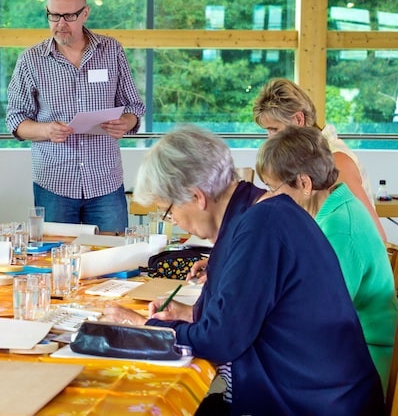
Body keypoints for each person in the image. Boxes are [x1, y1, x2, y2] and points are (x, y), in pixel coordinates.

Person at [103, 125, 383, 414]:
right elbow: (241, 314)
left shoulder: (261, 225)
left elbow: (220, 340)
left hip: (314, 405)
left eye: (169, 210)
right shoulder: (256, 213)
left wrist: (145, 328)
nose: (174, 220)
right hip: (307, 393)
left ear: (197, 197)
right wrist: (190, 314)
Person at [256, 125, 398, 393]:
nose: (271, 197)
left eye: (274, 188)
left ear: (305, 184)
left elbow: (317, 317)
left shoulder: (340, 228)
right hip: (347, 349)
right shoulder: (333, 208)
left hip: (365, 361)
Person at [5, 0, 146, 234]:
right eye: (54, 15)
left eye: (69, 15)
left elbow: (134, 106)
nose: (60, 24)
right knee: (53, 259)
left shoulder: (111, 51)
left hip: (105, 180)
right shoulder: (31, 60)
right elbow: (15, 120)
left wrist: (127, 122)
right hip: (55, 182)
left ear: (85, 13)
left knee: (113, 259)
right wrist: (46, 130)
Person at [252, 77, 386, 241]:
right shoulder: (310, 158)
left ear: (299, 119)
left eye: (274, 129)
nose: (270, 139)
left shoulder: (335, 160)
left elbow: (376, 235)